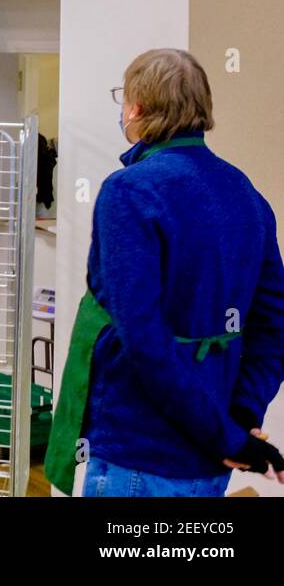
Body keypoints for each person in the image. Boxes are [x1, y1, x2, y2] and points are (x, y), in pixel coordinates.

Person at [46, 49, 284, 496]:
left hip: (139, 451)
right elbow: (273, 327)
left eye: (123, 100)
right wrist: (239, 421)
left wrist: (226, 434)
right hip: (214, 455)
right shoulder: (246, 194)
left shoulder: (130, 191)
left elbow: (145, 340)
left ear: (135, 108)